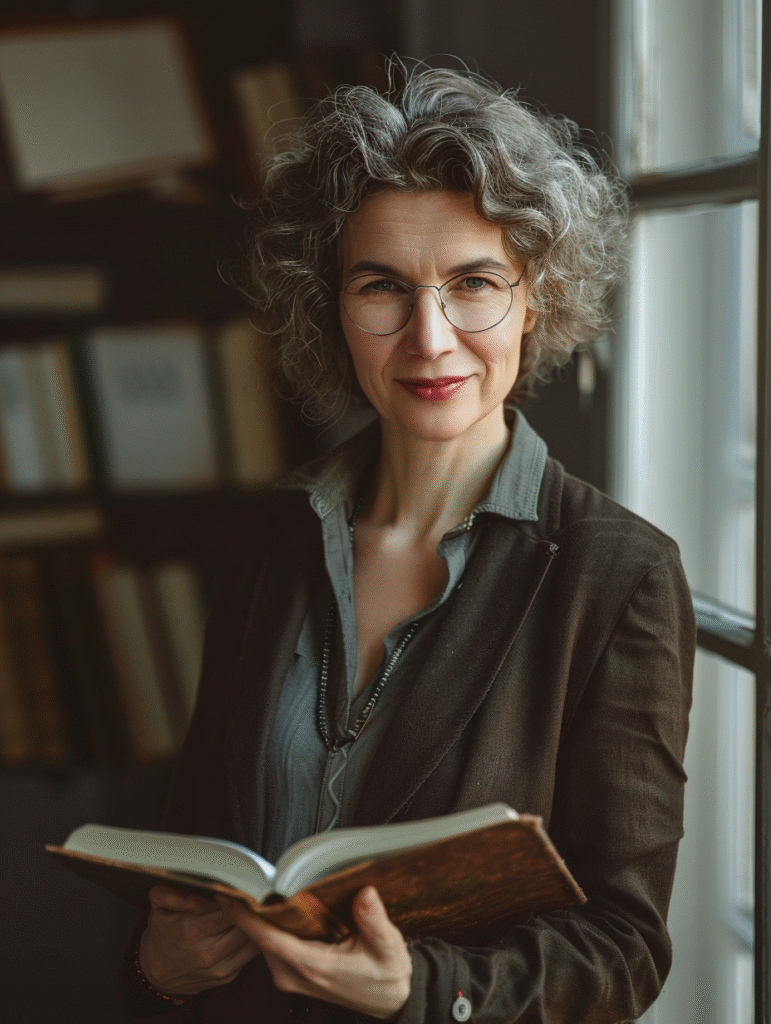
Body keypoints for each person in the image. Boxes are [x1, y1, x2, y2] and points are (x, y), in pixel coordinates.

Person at [122, 63, 695, 1024]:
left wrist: (421, 991)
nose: (429, 340)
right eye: (381, 286)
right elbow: (195, 855)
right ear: (331, 309)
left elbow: (624, 950)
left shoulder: (620, 575)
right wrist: (160, 963)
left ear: (536, 301)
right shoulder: (269, 536)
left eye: (473, 283)